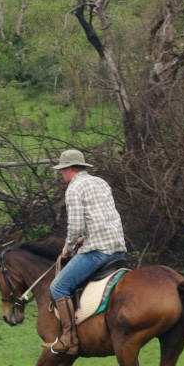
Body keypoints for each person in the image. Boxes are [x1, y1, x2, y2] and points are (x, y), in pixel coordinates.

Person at [45, 149, 127, 355]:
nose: (62, 174)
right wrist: (84, 238)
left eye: (63, 170)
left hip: (98, 251)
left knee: (58, 287)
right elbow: (103, 218)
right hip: (118, 248)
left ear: (70, 169)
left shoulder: (74, 188)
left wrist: (69, 246)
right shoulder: (101, 183)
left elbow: (75, 225)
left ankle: (68, 339)